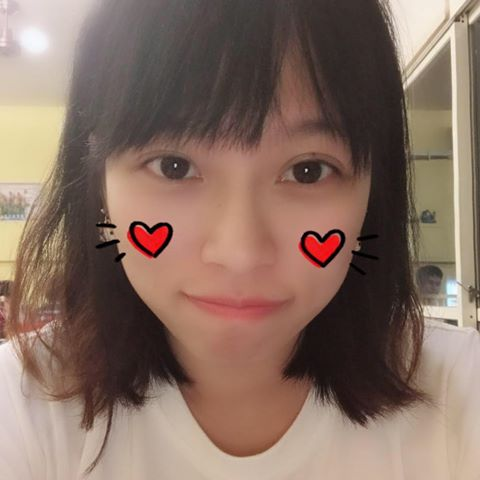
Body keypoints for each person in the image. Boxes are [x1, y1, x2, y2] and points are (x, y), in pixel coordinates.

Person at [1, 1, 479, 479]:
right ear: (99, 185)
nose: (240, 254)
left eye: (308, 171)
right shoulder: (23, 406)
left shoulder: (459, 390)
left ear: (374, 192)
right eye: (174, 167)